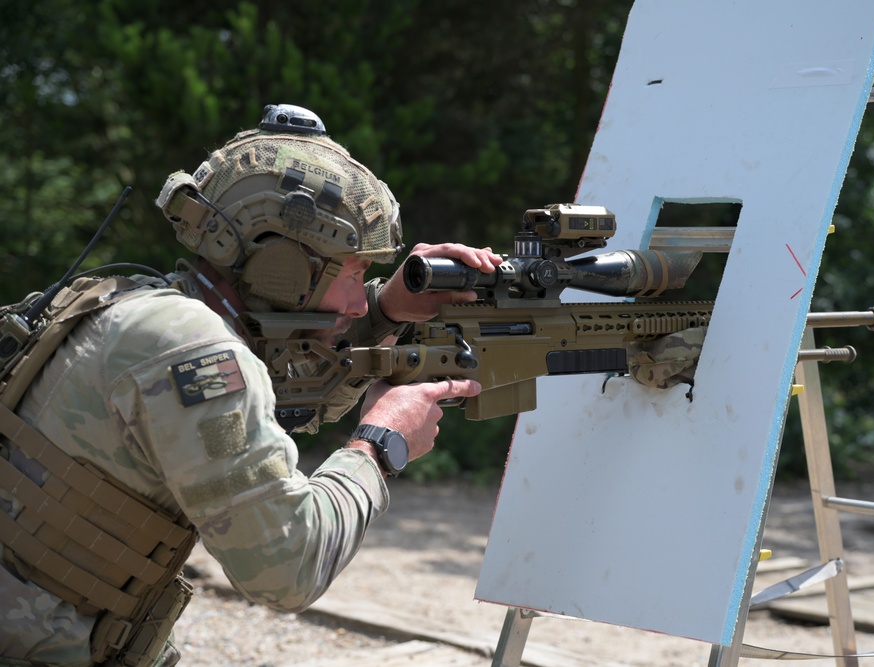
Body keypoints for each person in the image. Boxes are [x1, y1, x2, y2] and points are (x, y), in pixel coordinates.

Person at [0, 103, 502, 667]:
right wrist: (380, 445)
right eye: (356, 274)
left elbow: (282, 401)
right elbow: (286, 568)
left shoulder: (145, 308)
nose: (360, 299)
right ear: (281, 266)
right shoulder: (196, 351)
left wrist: (389, 310)